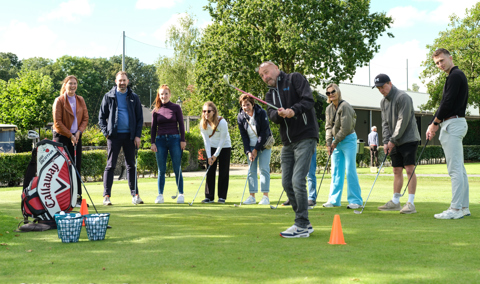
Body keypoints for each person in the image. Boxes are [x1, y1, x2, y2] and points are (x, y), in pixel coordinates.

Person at [258, 61, 318, 238]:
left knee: (298, 180)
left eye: (267, 72)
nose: (265, 77)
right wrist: (279, 114)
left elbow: (308, 100)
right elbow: (271, 115)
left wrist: (293, 111)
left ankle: (300, 225)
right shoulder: (269, 94)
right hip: (287, 142)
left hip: (306, 136)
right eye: (262, 75)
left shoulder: (294, 79)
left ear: (276, 69)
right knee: (286, 183)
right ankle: (304, 222)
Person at [426, 48, 470, 219]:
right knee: (459, 168)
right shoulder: (454, 76)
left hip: (453, 123)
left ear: (450, 58)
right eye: (437, 63)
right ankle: (463, 207)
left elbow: (448, 103)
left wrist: (435, 123)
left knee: (455, 169)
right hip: (454, 122)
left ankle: (456, 209)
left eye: (442, 61)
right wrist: (433, 123)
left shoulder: (455, 75)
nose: (440, 65)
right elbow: (444, 102)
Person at [374, 73, 421, 214]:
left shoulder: (403, 97)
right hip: (394, 140)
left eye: (383, 86)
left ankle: (410, 203)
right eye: (378, 88)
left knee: (409, 169)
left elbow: (403, 120)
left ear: (390, 83)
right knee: (396, 170)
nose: (381, 90)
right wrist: (385, 142)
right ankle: (395, 201)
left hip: (409, 138)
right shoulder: (383, 102)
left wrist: (392, 141)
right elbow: (385, 124)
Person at [99, 71, 144, 206]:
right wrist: (106, 132)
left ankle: (135, 195)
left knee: (131, 165)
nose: (122, 83)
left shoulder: (134, 97)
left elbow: (139, 118)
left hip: (130, 137)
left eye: (124, 80)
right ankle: (106, 196)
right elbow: (101, 117)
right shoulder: (108, 96)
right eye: (120, 80)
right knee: (110, 165)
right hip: (114, 136)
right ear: (116, 81)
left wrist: (137, 135)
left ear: (128, 81)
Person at [322, 83, 363, 209]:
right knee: (336, 171)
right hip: (336, 141)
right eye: (328, 93)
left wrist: (334, 142)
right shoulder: (329, 108)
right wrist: (329, 143)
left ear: (338, 91)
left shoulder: (345, 106)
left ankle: (355, 200)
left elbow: (346, 128)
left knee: (350, 169)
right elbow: (328, 127)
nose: (331, 94)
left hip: (348, 139)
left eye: (333, 91)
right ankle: (334, 200)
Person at [52, 75, 89, 207]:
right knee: (62, 168)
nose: (73, 86)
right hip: (62, 137)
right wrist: (70, 135)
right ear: (65, 85)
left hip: (76, 136)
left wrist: (79, 132)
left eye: (75, 83)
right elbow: (57, 123)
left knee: (76, 166)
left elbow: (85, 118)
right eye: (70, 83)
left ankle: (77, 198)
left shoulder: (80, 100)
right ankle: (61, 199)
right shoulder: (59, 100)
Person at [150, 84, 186, 204]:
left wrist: (183, 140)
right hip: (160, 141)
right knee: (161, 169)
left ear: (170, 94)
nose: (164, 96)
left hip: (175, 140)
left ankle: (181, 193)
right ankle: (160, 195)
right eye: (161, 94)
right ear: (158, 96)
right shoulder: (156, 110)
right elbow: (153, 128)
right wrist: (152, 143)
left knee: (177, 167)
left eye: (166, 93)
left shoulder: (176, 108)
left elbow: (181, 124)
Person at [237, 94, 272, 205]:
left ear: (252, 104)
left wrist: (256, 149)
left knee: (264, 169)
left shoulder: (261, 113)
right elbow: (244, 136)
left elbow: (264, 133)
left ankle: (265, 197)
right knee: (251, 171)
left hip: (264, 145)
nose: (246, 107)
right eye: (243, 105)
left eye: (248, 104)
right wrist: (248, 151)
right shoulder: (241, 117)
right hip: (250, 146)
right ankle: (252, 196)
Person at [200, 101, 232, 204]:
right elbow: (206, 141)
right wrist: (209, 156)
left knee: (223, 171)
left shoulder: (222, 122)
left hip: (225, 147)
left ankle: (222, 197)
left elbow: (222, 141)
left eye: (208, 111)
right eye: (204, 111)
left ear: (214, 111)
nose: (206, 113)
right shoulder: (202, 123)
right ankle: (209, 197)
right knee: (210, 171)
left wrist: (215, 155)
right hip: (211, 146)